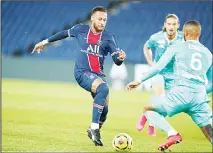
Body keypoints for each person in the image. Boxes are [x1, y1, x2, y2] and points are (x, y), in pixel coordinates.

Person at [32, 6, 126, 146]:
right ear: (93, 18)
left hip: (99, 75)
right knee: (104, 89)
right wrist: (44, 42)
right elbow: (64, 33)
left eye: (105, 20)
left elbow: (117, 61)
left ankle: (93, 130)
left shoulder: (109, 37)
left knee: (105, 111)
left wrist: (121, 58)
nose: (102, 22)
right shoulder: (80, 29)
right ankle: (94, 128)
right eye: (100, 19)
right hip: (82, 72)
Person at [127, 20, 212, 151]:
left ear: (184, 33)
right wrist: (199, 93)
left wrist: (139, 80)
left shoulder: (177, 46)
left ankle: (173, 134)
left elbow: (158, 67)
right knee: (210, 132)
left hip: (179, 95)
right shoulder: (208, 54)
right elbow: (211, 83)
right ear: (199, 33)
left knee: (148, 109)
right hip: (200, 99)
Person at [138, 14, 183, 136]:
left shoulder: (182, 38)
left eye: (174, 24)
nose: (171, 27)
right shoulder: (156, 37)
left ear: (178, 26)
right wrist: (151, 63)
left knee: (167, 102)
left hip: (173, 75)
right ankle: (151, 125)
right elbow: (146, 47)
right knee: (159, 94)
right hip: (158, 72)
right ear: (165, 25)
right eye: (169, 24)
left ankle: (146, 115)